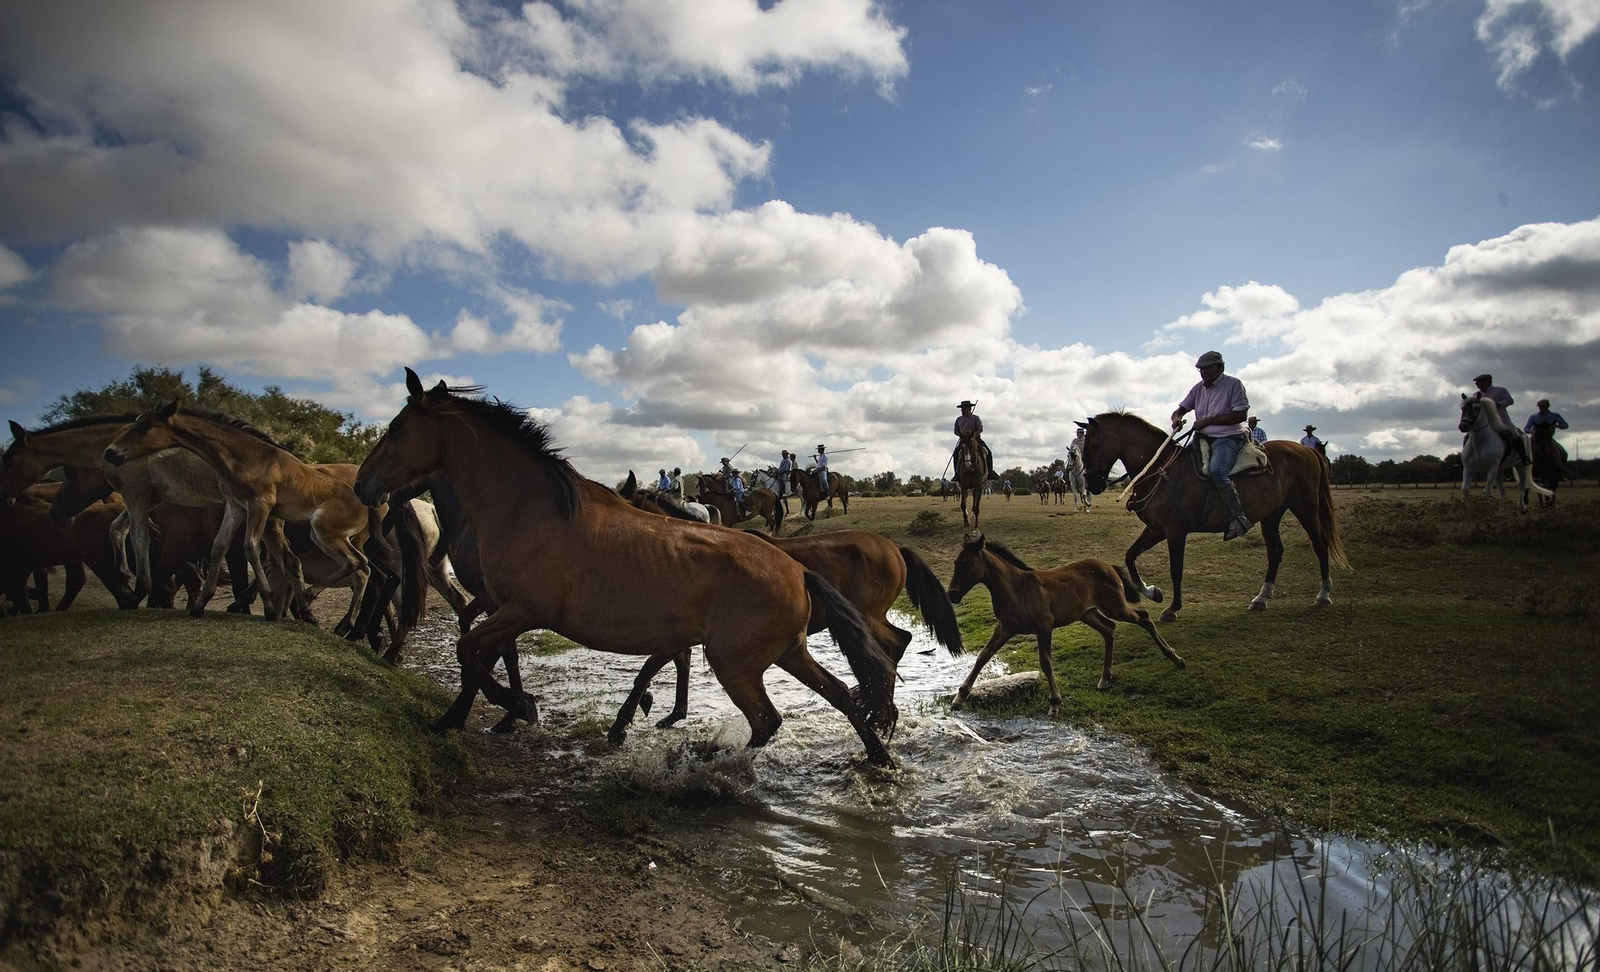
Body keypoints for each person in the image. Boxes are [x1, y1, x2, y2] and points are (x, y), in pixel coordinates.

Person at [1171, 350, 1253, 540]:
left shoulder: (1233, 384)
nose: (1204, 373)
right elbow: (1180, 409)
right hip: (1202, 438)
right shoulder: (1198, 388)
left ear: (1220, 368)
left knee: (1217, 471)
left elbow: (1241, 415)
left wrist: (1209, 421)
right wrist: (1177, 418)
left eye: (1208, 369)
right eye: (1201, 370)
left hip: (1228, 438)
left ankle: (1238, 517)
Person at [1473, 373, 1529, 463]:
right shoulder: (1476, 395)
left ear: (1487, 381)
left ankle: (1523, 457)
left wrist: (1499, 404)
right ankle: (1466, 460)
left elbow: (1510, 400)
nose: (1476, 384)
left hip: (1501, 419)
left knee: (1514, 433)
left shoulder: (1500, 390)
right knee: (1469, 436)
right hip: (1484, 421)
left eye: (1478, 381)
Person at [951, 400, 1000, 481]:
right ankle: (957, 474)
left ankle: (990, 472)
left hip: (976, 439)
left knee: (988, 452)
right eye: (961, 409)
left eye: (963, 409)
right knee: (955, 454)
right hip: (963, 440)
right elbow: (956, 430)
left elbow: (980, 429)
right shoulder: (958, 419)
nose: (962, 411)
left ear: (969, 409)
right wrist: (961, 434)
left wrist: (972, 434)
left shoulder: (976, 418)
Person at [1524, 399, 1570, 464]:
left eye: (1543, 406)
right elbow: (1526, 428)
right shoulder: (1533, 417)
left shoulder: (1555, 415)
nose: (1542, 408)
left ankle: (1560, 468)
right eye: (1540, 407)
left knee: (1563, 453)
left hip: (1548, 438)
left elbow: (1565, 425)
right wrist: (1531, 432)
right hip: (1536, 438)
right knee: (1525, 452)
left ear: (1547, 406)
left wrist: (1556, 426)